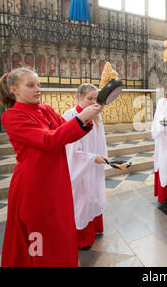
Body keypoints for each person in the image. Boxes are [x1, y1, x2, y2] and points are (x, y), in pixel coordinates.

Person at [0, 68, 102, 267]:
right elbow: (48, 140)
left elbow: (67, 132)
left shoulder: (45, 109)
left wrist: (87, 115)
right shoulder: (12, 116)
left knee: (60, 232)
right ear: (14, 90)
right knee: (40, 237)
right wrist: (82, 118)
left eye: (38, 84)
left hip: (56, 180)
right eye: (30, 85)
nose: (38, 89)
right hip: (34, 186)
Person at [63, 83, 108, 250]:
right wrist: (91, 158)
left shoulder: (97, 117)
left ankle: (95, 229)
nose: (93, 102)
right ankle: (81, 239)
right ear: (79, 97)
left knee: (94, 196)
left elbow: (100, 140)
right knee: (82, 199)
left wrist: (102, 157)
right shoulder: (70, 116)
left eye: (96, 99)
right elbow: (71, 150)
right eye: (89, 99)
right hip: (79, 168)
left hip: (94, 165)